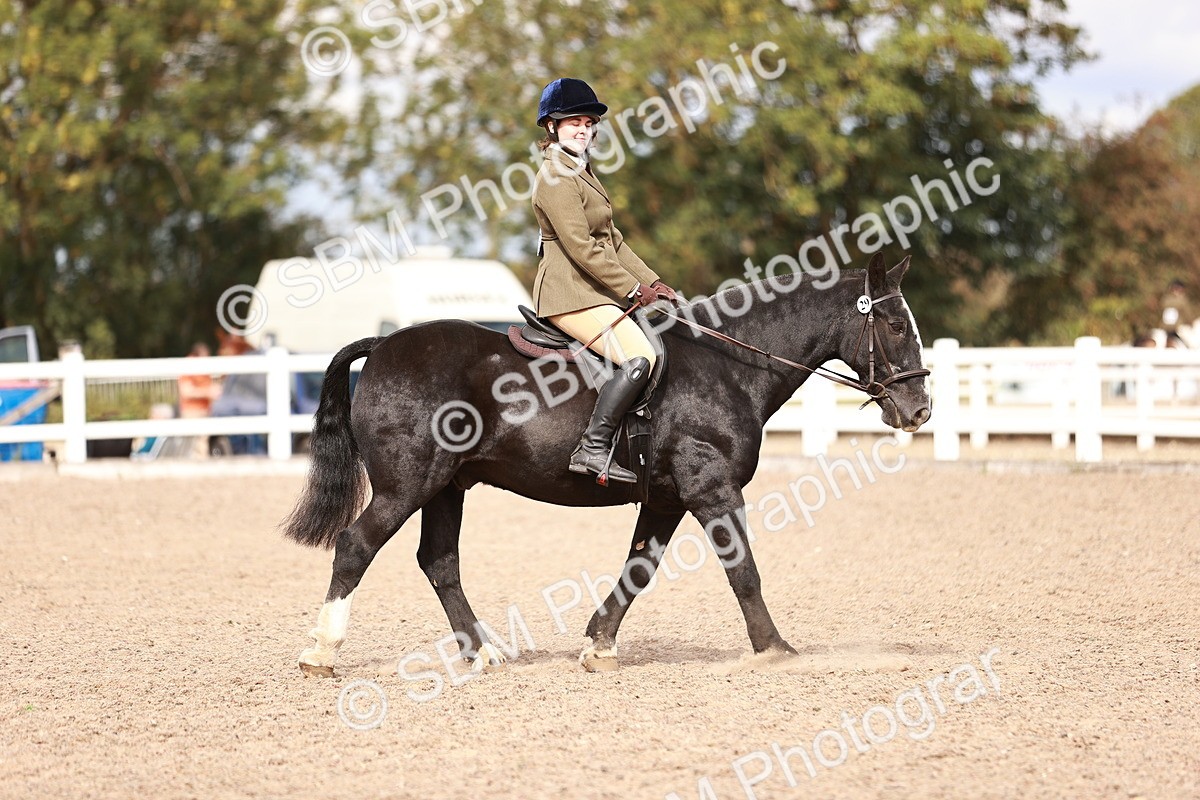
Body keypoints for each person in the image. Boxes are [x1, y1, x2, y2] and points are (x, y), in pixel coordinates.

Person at [531, 77, 678, 484]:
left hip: (593, 290)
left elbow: (614, 242)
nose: (583, 128)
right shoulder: (556, 178)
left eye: (588, 121)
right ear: (551, 127)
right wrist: (633, 291)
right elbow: (582, 247)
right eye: (572, 121)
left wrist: (655, 283)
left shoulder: (582, 173)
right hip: (568, 294)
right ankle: (592, 448)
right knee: (640, 357)